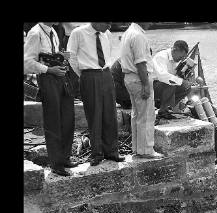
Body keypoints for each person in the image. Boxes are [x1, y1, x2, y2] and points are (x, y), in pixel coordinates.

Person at [67, 22, 125, 166]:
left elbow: (110, 53)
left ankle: (111, 151)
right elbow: (71, 57)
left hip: (106, 73)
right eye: (108, 23)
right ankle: (97, 153)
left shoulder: (107, 33)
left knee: (110, 114)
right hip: (89, 74)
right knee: (94, 115)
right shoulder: (78, 33)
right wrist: (85, 74)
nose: (110, 26)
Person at [24, 22, 76, 176]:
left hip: (60, 77)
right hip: (47, 78)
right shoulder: (35, 33)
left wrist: (61, 56)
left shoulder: (53, 30)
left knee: (68, 118)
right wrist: (49, 69)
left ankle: (65, 157)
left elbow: (48, 55)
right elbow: (26, 63)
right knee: (53, 120)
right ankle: (56, 163)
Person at [120, 22, 162, 158]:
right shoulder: (138, 36)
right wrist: (145, 85)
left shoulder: (128, 32)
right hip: (139, 79)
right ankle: (147, 150)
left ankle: (137, 148)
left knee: (137, 114)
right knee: (147, 115)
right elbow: (140, 62)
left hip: (129, 78)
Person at [152, 40, 193, 121]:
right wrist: (179, 81)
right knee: (171, 82)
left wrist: (185, 74)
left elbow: (177, 77)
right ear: (175, 50)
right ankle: (163, 109)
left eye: (183, 58)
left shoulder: (177, 60)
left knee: (187, 86)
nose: (181, 59)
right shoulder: (161, 56)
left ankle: (165, 107)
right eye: (180, 57)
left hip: (166, 86)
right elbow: (162, 76)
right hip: (153, 85)